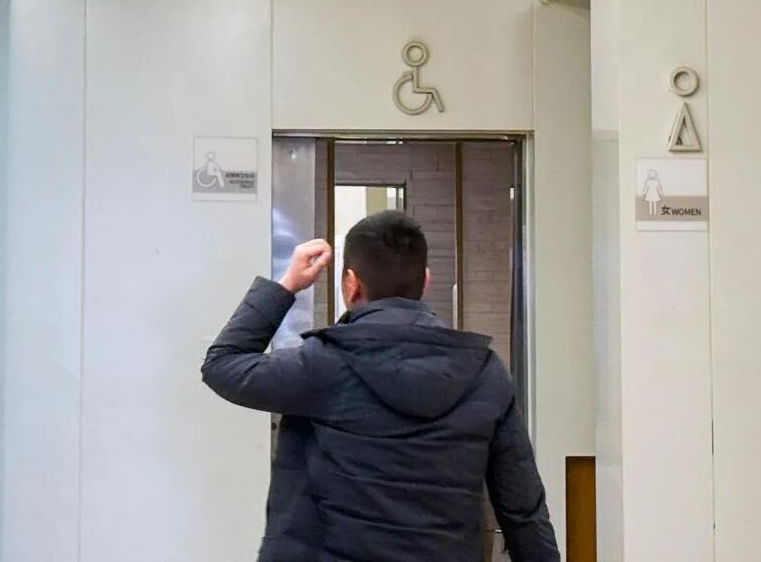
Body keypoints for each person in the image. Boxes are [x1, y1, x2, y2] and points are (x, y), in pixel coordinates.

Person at [201, 210, 559, 562]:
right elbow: (523, 509)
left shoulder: (324, 364)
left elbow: (222, 364)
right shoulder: (484, 371)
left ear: (351, 284)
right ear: (426, 281)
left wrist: (286, 285)